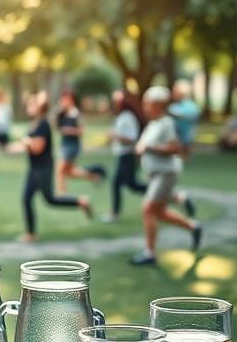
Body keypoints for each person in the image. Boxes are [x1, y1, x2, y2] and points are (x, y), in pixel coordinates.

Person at [130, 85, 202, 266]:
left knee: (148, 208)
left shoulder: (166, 123)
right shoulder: (153, 124)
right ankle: (192, 227)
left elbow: (174, 148)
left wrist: (148, 148)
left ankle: (149, 252)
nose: (145, 107)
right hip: (155, 174)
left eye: (148, 103)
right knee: (159, 212)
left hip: (166, 173)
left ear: (158, 105)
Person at [18, 91, 92, 241]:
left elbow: (37, 148)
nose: (30, 106)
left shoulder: (43, 124)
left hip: (43, 168)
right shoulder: (34, 124)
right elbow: (29, 146)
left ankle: (81, 201)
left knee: (50, 199)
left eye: (33, 104)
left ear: (40, 107)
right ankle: (31, 234)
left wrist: (26, 143)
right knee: (27, 198)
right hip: (34, 168)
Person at [104, 89, 146, 221]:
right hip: (123, 155)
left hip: (128, 155)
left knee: (120, 184)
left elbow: (132, 138)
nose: (114, 103)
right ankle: (159, 194)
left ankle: (115, 214)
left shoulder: (127, 117)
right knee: (131, 184)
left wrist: (114, 135)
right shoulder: (122, 116)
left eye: (116, 100)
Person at [55, 89, 106, 194]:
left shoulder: (76, 114)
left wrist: (69, 131)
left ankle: (62, 193)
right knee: (69, 172)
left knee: (60, 170)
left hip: (72, 146)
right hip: (64, 144)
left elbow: (81, 130)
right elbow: (56, 126)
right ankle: (93, 176)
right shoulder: (63, 113)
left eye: (65, 99)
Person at [169, 79, 200, 156]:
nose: (174, 94)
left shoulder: (190, 105)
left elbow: (191, 116)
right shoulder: (173, 106)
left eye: (176, 92)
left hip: (186, 135)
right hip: (174, 135)